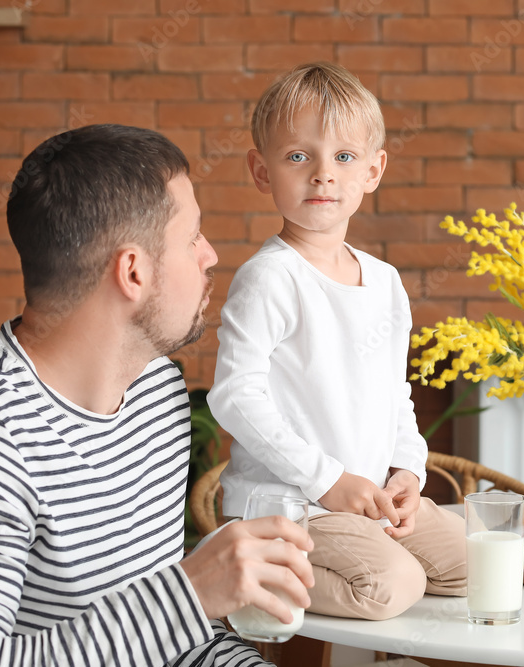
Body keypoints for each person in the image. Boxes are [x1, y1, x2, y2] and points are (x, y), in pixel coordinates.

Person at [0, 124, 314, 667]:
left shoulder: (155, 389)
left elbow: (163, 643)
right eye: (192, 238)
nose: (209, 256)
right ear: (133, 272)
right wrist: (188, 595)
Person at [207, 62, 468, 622]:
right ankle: (253, 576)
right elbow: (235, 396)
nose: (323, 175)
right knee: (392, 585)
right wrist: (327, 480)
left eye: (343, 157)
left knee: (481, 563)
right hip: (293, 505)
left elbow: (395, 393)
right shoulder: (271, 278)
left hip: (369, 500)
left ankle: (373, 547)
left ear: (373, 170)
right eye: (298, 156)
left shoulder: (385, 281)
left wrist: (408, 472)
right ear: (261, 170)